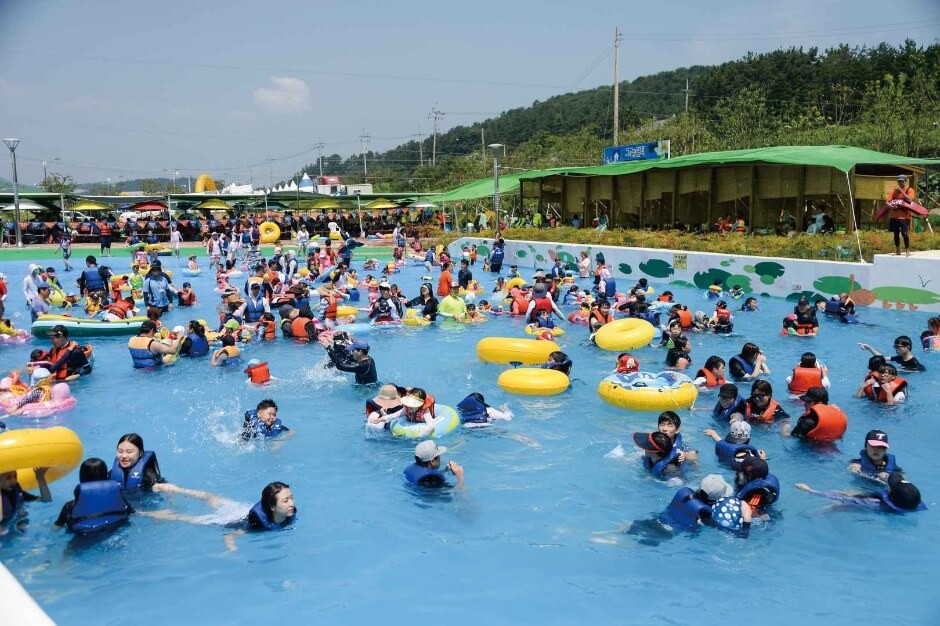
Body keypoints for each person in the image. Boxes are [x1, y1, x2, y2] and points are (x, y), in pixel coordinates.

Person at [141, 482, 297, 551]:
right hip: (231, 519)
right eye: (285, 500)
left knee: (212, 498)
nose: (291, 503)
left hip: (240, 509)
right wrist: (232, 548)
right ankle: (148, 513)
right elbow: (231, 535)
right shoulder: (257, 525)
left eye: (291, 497)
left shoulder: (286, 512)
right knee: (189, 518)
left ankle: (176, 489)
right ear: (272, 506)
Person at [54, 458, 133, 535]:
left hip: (83, 536)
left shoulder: (70, 506)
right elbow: (132, 512)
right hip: (114, 531)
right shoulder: (117, 499)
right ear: (106, 476)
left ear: (81, 477)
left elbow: (56, 528)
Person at [795, 472, 925, 514]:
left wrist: (810, 490)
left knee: (833, 506)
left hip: (867, 508)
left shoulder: (874, 503)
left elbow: (843, 498)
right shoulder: (911, 501)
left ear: (891, 496)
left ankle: (813, 515)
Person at [781, 386, 847, 442]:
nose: (804, 404)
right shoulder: (836, 417)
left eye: (808, 402)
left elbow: (790, 437)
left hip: (808, 452)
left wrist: (785, 429)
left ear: (819, 403)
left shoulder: (806, 422)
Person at [887, 174, 916, 256]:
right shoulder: (893, 191)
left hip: (904, 216)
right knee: (896, 233)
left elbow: (910, 200)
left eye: (902, 181)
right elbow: (887, 201)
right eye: (899, 181)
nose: (900, 182)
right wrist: (891, 205)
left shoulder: (910, 190)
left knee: (904, 233)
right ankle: (898, 250)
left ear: (905, 181)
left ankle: (907, 249)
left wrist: (902, 191)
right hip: (894, 216)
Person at [859, 337, 925, 372]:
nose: (896, 349)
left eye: (898, 347)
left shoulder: (915, 364)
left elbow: (919, 372)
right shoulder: (900, 358)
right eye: (895, 347)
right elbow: (881, 358)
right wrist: (869, 348)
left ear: (907, 347)